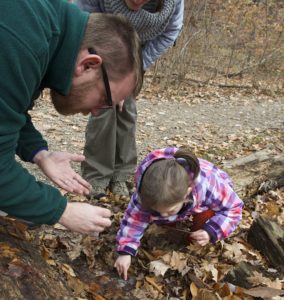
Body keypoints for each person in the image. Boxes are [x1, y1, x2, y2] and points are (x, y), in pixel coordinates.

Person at [0, 0, 143, 235]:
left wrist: (39, 153)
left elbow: (9, 109)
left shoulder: (47, 30)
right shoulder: (20, 42)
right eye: (104, 100)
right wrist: (61, 211)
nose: (97, 112)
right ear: (89, 65)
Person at [75, 0, 184, 198]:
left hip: (137, 51)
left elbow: (170, 32)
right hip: (98, 42)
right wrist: (111, 76)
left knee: (127, 109)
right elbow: (84, 26)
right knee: (104, 106)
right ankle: (97, 176)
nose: (137, 2)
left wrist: (132, 72)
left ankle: (122, 174)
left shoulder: (173, 3)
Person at [114, 147, 244, 280]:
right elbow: (134, 220)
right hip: (177, 202)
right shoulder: (145, 195)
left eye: (169, 211)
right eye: (158, 211)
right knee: (162, 214)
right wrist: (125, 251)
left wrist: (211, 231)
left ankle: (193, 240)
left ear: (186, 193)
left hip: (204, 202)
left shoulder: (209, 187)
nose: (164, 215)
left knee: (204, 219)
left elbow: (234, 208)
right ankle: (172, 218)